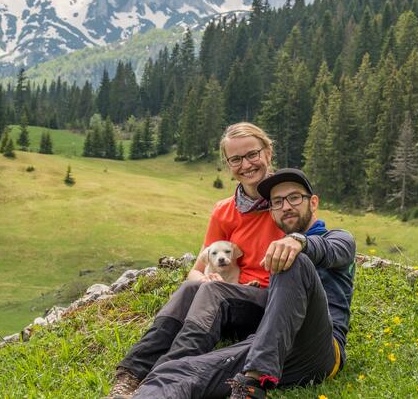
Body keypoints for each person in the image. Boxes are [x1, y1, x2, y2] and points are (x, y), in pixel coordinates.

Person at [130, 168, 356, 399]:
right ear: (272, 212)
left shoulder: (338, 239)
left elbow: (331, 250)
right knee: (173, 373)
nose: (286, 206)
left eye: (294, 197)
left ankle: (252, 386)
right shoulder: (280, 246)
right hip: (270, 346)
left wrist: (298, 242)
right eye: (277, 202)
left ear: (313, 202)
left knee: (293, 260)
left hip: (319, 351)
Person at [109, 122, 284, 397]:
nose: (246, 164)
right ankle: (130, 375)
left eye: (253, 154)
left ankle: (158, 382)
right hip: (230, 300)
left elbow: (313, 244)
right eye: (236, 159)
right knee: (193, 287)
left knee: (212, 292)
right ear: (228, 165)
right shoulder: (224, 211)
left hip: (270, 303)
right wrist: (206, 278)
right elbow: (195, 272)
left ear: (268, 153)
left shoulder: (285, 201)